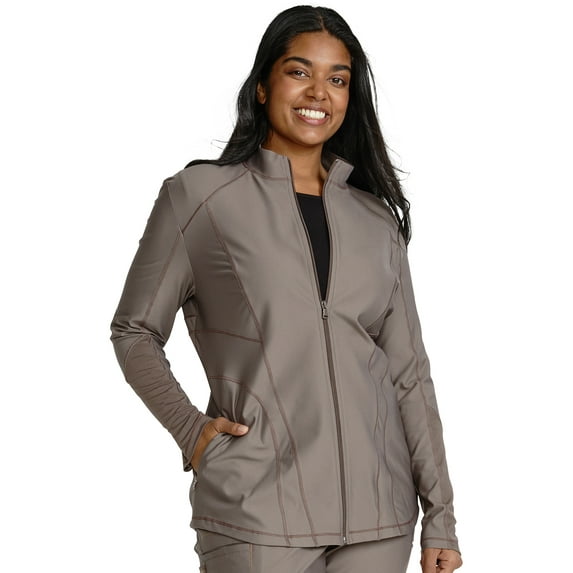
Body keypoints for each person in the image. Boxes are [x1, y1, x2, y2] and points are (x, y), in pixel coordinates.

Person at [109, 5, 463, 572]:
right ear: (261, 86)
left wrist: (439, 514)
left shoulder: (376, 220)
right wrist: (192, 432)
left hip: (380, 519)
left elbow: (408, 373)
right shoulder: (201, 197)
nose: (319, 93)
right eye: (300, 72)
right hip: (256, 513)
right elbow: (134, 331)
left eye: (337, 80)